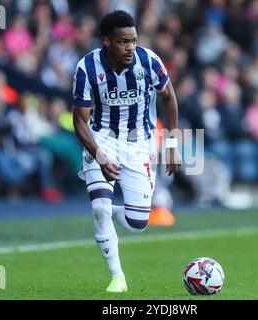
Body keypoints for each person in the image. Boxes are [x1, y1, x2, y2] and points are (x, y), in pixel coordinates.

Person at [72, 10, 181, 293]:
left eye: (133, 40)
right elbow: (79, 121)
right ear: (106, 41)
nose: (131, 47)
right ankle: (117, 276)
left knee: (137, 223)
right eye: (123, 41)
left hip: (140, 144)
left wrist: (171, 143)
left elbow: (168, 97)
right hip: (102, 139)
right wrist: (99, 155)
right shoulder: (87, 68)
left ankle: (110, 212)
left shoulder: (149, 61)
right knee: (99, 207)